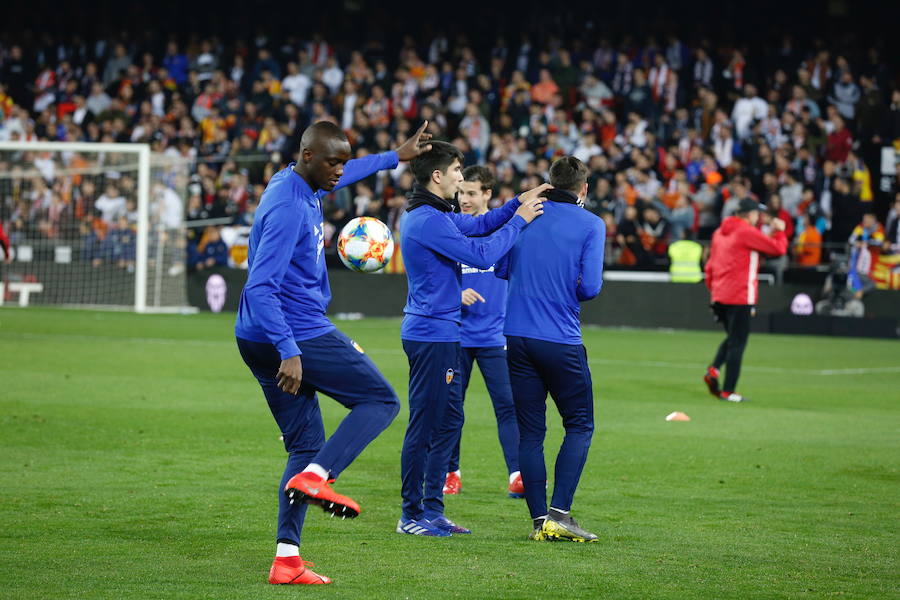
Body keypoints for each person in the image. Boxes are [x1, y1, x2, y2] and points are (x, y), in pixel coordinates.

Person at [234, 120, 432, 585]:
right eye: (332, 162)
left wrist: (394, 157)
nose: (340, 171)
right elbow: (260, 287)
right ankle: (319, 475)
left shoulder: (302, 183)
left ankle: (287, 559)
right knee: (381, 401)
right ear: (307, 155)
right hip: (292, 332)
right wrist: (289, 350)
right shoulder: (287, 206)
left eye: (343, 161)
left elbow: (350, 166)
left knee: (303, 443)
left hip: (256, 336)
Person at [398, 141, 546, 537]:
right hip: (432, 333)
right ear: (437, 176)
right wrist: (520, 222)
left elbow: (481, 224)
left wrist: (518, 201)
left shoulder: (432, 213)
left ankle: (431, 509)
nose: (461, 178)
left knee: (448, 420)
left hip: (443, 332)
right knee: (427, 425)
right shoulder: (427, 219)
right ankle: (412, 513)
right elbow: (481, 254)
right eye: (457, 171)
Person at [497, 156, 605, 543]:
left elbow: (500, 268)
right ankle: (560, 514)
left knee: (530, 433)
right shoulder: (592, 224)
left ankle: (538, 521)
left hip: (517, 338)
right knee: (579, 424)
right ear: (584, 188)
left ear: (548, 183)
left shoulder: (527, 214)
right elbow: (590, 288)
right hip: (560, 338)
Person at [442, 165, 524, 500]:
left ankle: (517, 475)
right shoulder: (450, 229)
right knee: (451, 407)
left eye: (472, 193)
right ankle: (451, 473)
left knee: (507, 406)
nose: (464, 199)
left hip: (496, 336)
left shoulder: (505, 229)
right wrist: (453, 295)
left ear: (488, 194)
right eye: (461, 192)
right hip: (456, 334)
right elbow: (430, 278)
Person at [703, 197, 788, 403]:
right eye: (757, 214)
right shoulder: (746, 232)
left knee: (733, 337)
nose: (759, 218)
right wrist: (780, 231)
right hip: (740, 295)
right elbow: (778, 249)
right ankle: (728, 391)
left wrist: (713, 291)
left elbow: (710, 266)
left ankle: (714, 370)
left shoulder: (718, 233)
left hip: (719, 295)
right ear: (750, 215)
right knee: (738, 343)